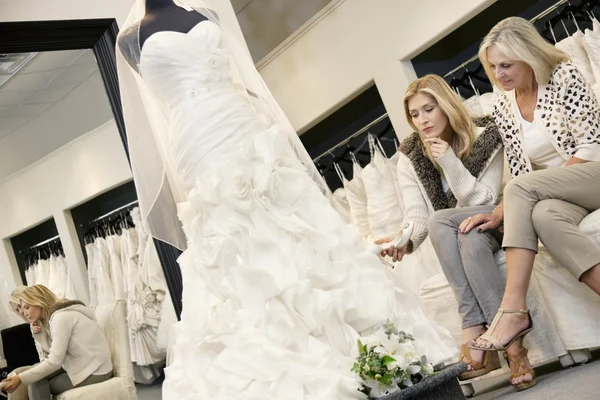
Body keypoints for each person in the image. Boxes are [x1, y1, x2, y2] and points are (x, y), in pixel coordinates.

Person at [116, 1, 456, 398]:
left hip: (240, 120)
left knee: (292, 222)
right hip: (195, 141)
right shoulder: (130, 38)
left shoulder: (207, 12)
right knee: (233, 242)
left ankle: (375, 354)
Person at [465, 16, 600, 366]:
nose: (499, 74)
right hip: (557, 196)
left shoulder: (563, 75)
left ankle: (513, 309)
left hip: (593, 173)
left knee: (525, 192)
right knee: (543, 216)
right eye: (493, 67)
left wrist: (531, 191)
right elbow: (523, 172)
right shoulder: (504, 109)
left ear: (529, 56)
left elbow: (591, 145)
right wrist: (498, 214)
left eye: (506, 65)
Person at [376, 74, 505, 381]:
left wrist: (448, 159)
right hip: (462, 238)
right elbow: (416, 215)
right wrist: (403, 240)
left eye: (429, 109)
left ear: (446, 105)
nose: (422, 120)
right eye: (414, 114)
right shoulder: (411, 154)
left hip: (496, 223)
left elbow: (482, 199)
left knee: (449, 223)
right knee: (467, 240)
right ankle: (510, 345)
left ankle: (472, 327)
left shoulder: (487, 133)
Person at [1, 285, 113, 399]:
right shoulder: (53, 319)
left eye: (26, 307)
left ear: (39, 301)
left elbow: (55, 362)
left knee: (37, 381)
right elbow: (52, 356)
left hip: (97, 371)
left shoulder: (60, 318)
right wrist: (41, 336)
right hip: (82, 366)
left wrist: (21, 378)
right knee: (35, 374)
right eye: (19, 309)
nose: (23, 313)